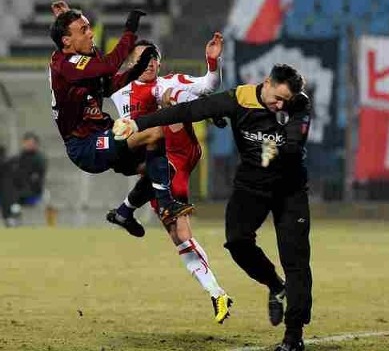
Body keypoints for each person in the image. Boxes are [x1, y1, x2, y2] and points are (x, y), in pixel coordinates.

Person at [112, 64, 312, 351]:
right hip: (250, 188)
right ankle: (275, 285)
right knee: (237, 243)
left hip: (289, 189)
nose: (280, 105)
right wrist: (138, 124)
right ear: (267, 83)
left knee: (296, 259)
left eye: (286, 102)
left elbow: (292, 146)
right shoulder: (239, 98)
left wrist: (270, 141)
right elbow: (187, 112)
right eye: (277, 98)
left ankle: (293, 336)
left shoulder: (299, 104)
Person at [106, 33, 234, 324]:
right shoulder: (119, 89)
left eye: (153, 58)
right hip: (154, 164)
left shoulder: (168, 84)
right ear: (130, 63)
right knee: (179, 238)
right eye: (142, 59)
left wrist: (213, 62)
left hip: (178, 155)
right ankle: (216, 293)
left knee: (183, 232)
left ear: (160, 62)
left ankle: (125, 210)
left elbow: (208, 85)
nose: (149, 64)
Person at [48, 0, 190, 225]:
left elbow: (109, 85)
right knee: (155, 132)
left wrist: (136, 69)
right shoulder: (66, 65)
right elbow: (108, 66)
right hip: (85, 146)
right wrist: (129, 32)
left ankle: (124, 213)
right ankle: (166, 206)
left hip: (102, 131)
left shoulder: (77, 57)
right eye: (84, 30)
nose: (91, 34)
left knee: (162, 168)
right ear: (67, 41)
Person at [0, 132, 46, 227]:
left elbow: (35, 176)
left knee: (11, 187)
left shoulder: (39, 159)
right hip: (16, 187)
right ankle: (10, 214)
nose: (29, 145)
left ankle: (12, 212)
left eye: (32, 143)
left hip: (31, 188)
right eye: (27, 142)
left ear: (36, 145)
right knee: (6, 185)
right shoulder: (18, 157)